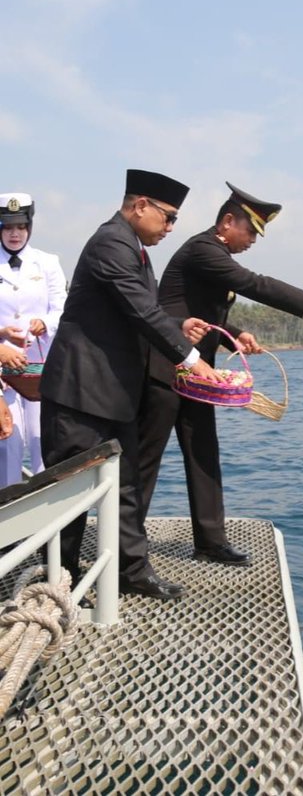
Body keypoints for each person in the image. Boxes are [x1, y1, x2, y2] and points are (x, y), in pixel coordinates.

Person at [138, 181, 303, 566]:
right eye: (252, 230)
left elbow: (206, 311)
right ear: (227, 221)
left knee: (204, 453)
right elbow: (253, 283)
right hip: (165, 368)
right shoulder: (204, 249)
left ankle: (210, 542)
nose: (255, 240)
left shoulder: (212, 252)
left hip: (197, 373)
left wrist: (235, 335)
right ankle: (126, 547)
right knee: (146, 458)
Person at [40, 169, 223, 601]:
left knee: (126, 487)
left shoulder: (134, 248)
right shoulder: (111, 243)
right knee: (68, 494)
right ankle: (59, 581)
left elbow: (138, 312)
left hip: (115, 396)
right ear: (140, 206)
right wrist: (193, 360)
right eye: (168, 217)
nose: (172, 227)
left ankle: (132, 571)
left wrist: (179, 324)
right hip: (79, 394)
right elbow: (141, 311)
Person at [0, 193, 67, 487]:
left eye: (21, 227)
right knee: (7, 442)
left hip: (40, 366)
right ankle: (7, 522)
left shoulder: (47, 262)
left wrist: (46, 323)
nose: (15, 234)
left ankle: (46, 522)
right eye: (7, 227)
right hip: (3, 369)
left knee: (44, 439)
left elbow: (62, 308)